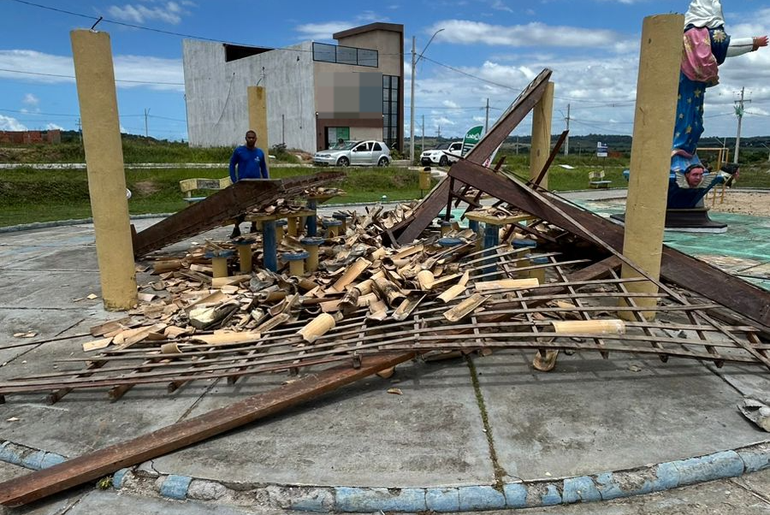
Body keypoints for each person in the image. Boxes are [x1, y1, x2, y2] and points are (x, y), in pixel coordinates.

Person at [671, 0, 767, 175]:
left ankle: (684, 154)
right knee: (690, 120)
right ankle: (679, 155)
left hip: (682, 83)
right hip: (691, 86)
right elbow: (725, 47)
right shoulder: (704, 33)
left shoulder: (684, 33)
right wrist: (754, 42)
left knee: (689, 118)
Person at [228, 130, 269, 238]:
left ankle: (253, 226)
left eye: (253, 138)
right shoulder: (239, 151)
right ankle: (236, 228)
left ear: (256, 139)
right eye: (249, 138)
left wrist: (266, 181)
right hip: (243, 184)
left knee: (256, 206)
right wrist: (234, 179)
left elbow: (263, 168)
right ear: (246, 138)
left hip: (256, 183)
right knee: (242, 208)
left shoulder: (259, 153)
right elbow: (232, 164)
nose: (251, 139)